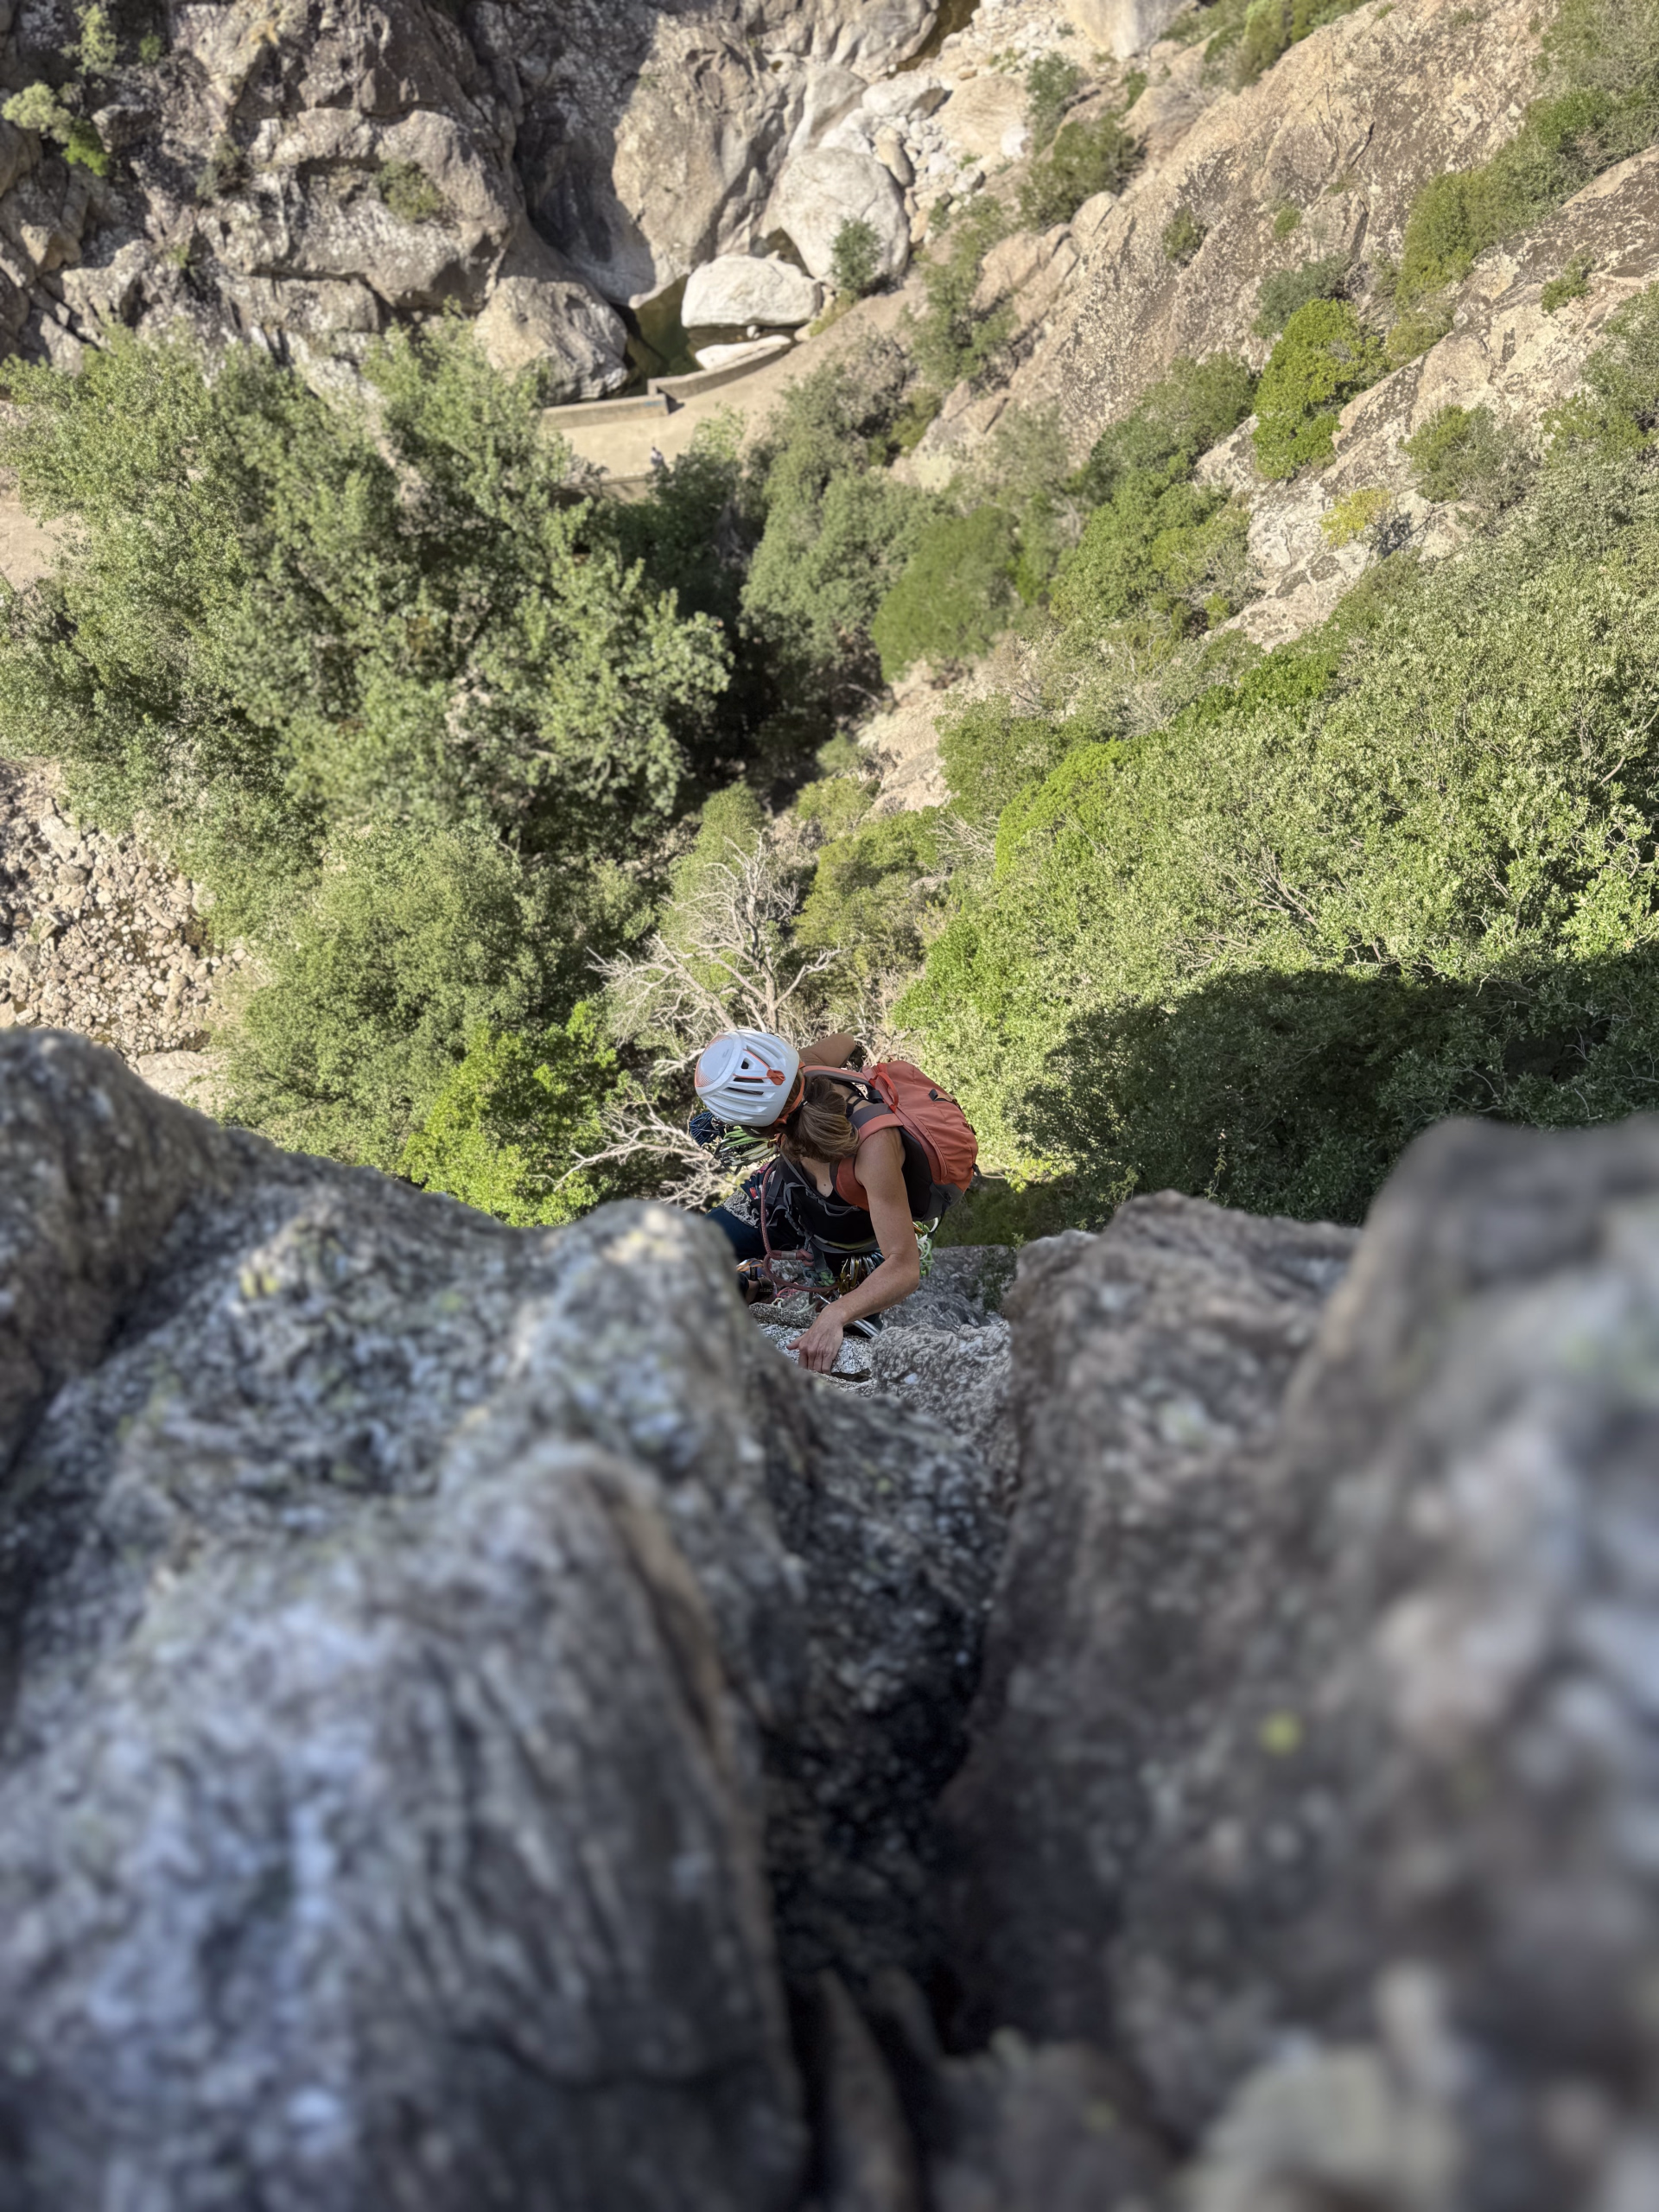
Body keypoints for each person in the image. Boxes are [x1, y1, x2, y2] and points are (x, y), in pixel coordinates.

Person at [691, 1027, 946, 1375]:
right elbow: (848, 1038)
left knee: (844, 1354)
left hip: (851, 1243)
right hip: (783, 1198)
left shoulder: (874, 1148)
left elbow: (904, 1266)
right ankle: (750, 1287)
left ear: (761, 1130)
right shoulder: (799, 1071)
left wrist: (835, 1314)